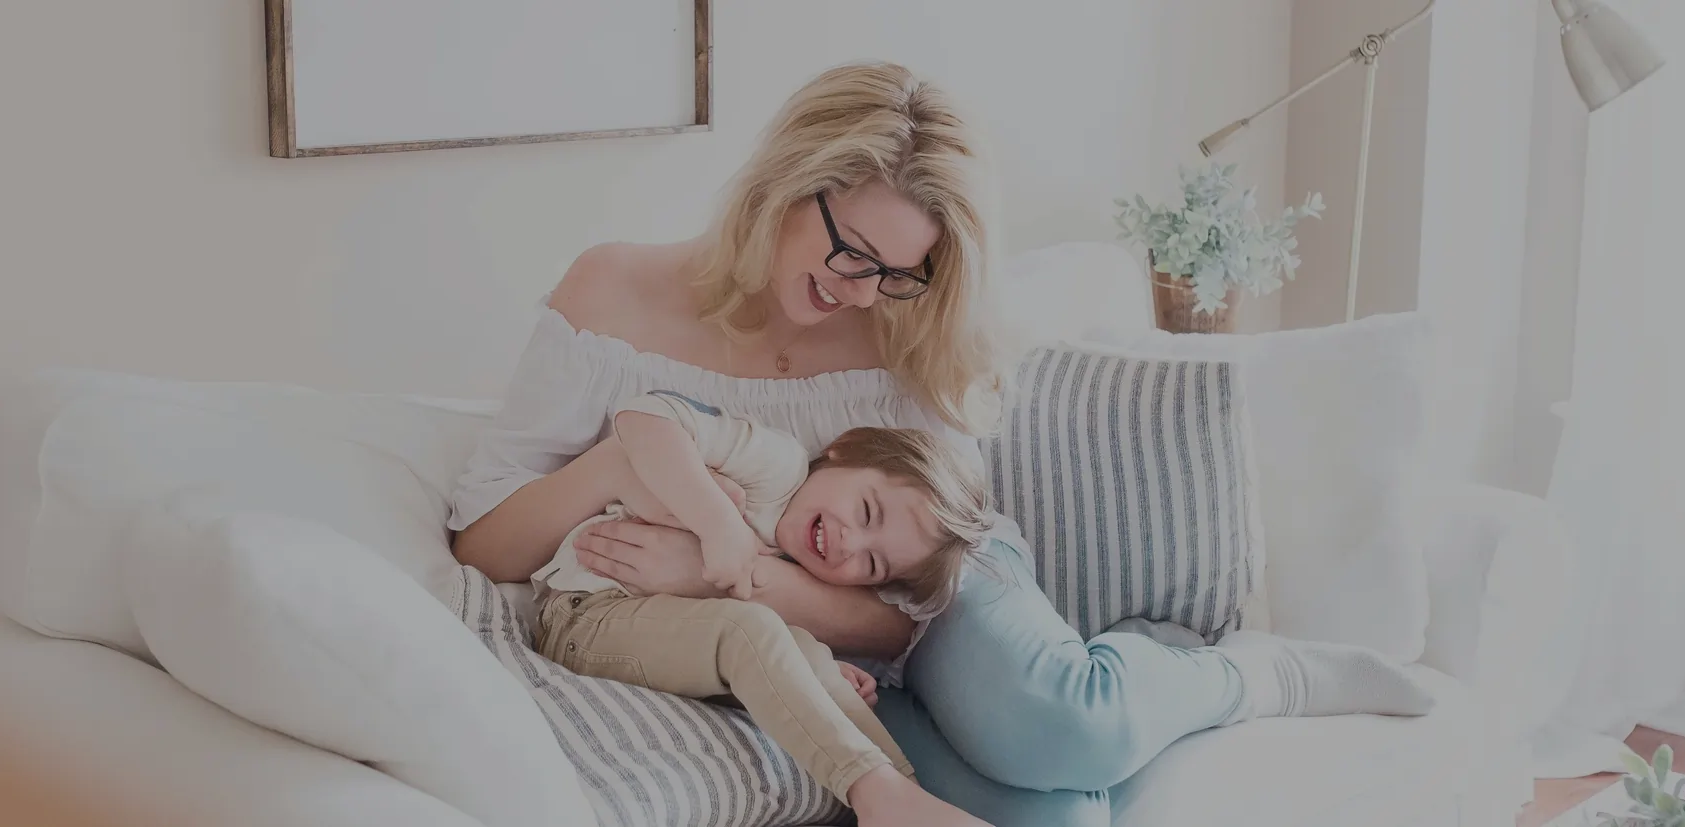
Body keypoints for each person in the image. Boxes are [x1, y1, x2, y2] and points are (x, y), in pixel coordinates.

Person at [450, 60, 1434, 825]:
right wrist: (628, 470)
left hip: (935, 565)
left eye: (897, 272)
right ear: (787, 187)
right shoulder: (613, 295)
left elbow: (902, 615)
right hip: (810, 633)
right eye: (850, 253)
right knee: (1042, 812)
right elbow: (481, 544)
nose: (864, 291)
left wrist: (724, 569)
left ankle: (1254, 674)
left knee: (1062, 720)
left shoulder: (903, 330)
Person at [528, 388, 995, 827]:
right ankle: (871, 789)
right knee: (749, 628)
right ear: (844, 449)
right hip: (585, 615)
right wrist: (718, 525)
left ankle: (903, 795)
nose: (849, 542)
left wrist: (813, 669)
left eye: (872, 564)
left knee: (808, 654)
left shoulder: (808, 565)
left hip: (661, 638)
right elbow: (643, 415)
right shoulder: (775, 467)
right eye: (867, 511)